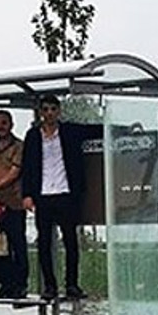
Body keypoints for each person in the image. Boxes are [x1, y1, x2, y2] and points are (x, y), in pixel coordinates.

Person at [21, 94, 100, 301]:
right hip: (43, 195)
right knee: (44, 242)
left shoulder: (69, 131)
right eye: (45, 109)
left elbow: (96, 131)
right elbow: (27, 166)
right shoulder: (32, 136)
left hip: (66, 194)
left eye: (53, 109)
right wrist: (27, 194)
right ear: (40, 112)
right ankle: (50, 286)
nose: (49, 113)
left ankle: (72, 284)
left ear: (59, 111)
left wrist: (124, 127)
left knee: (71, 241)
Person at [0, 109, 28, 298]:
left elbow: (14, 172)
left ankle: (21, 284)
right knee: (1, 247)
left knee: (18, 244)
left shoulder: (19, 146)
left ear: (11, 124)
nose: (0, 127)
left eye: (3, 123)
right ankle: (6, 284)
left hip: (14, 203)